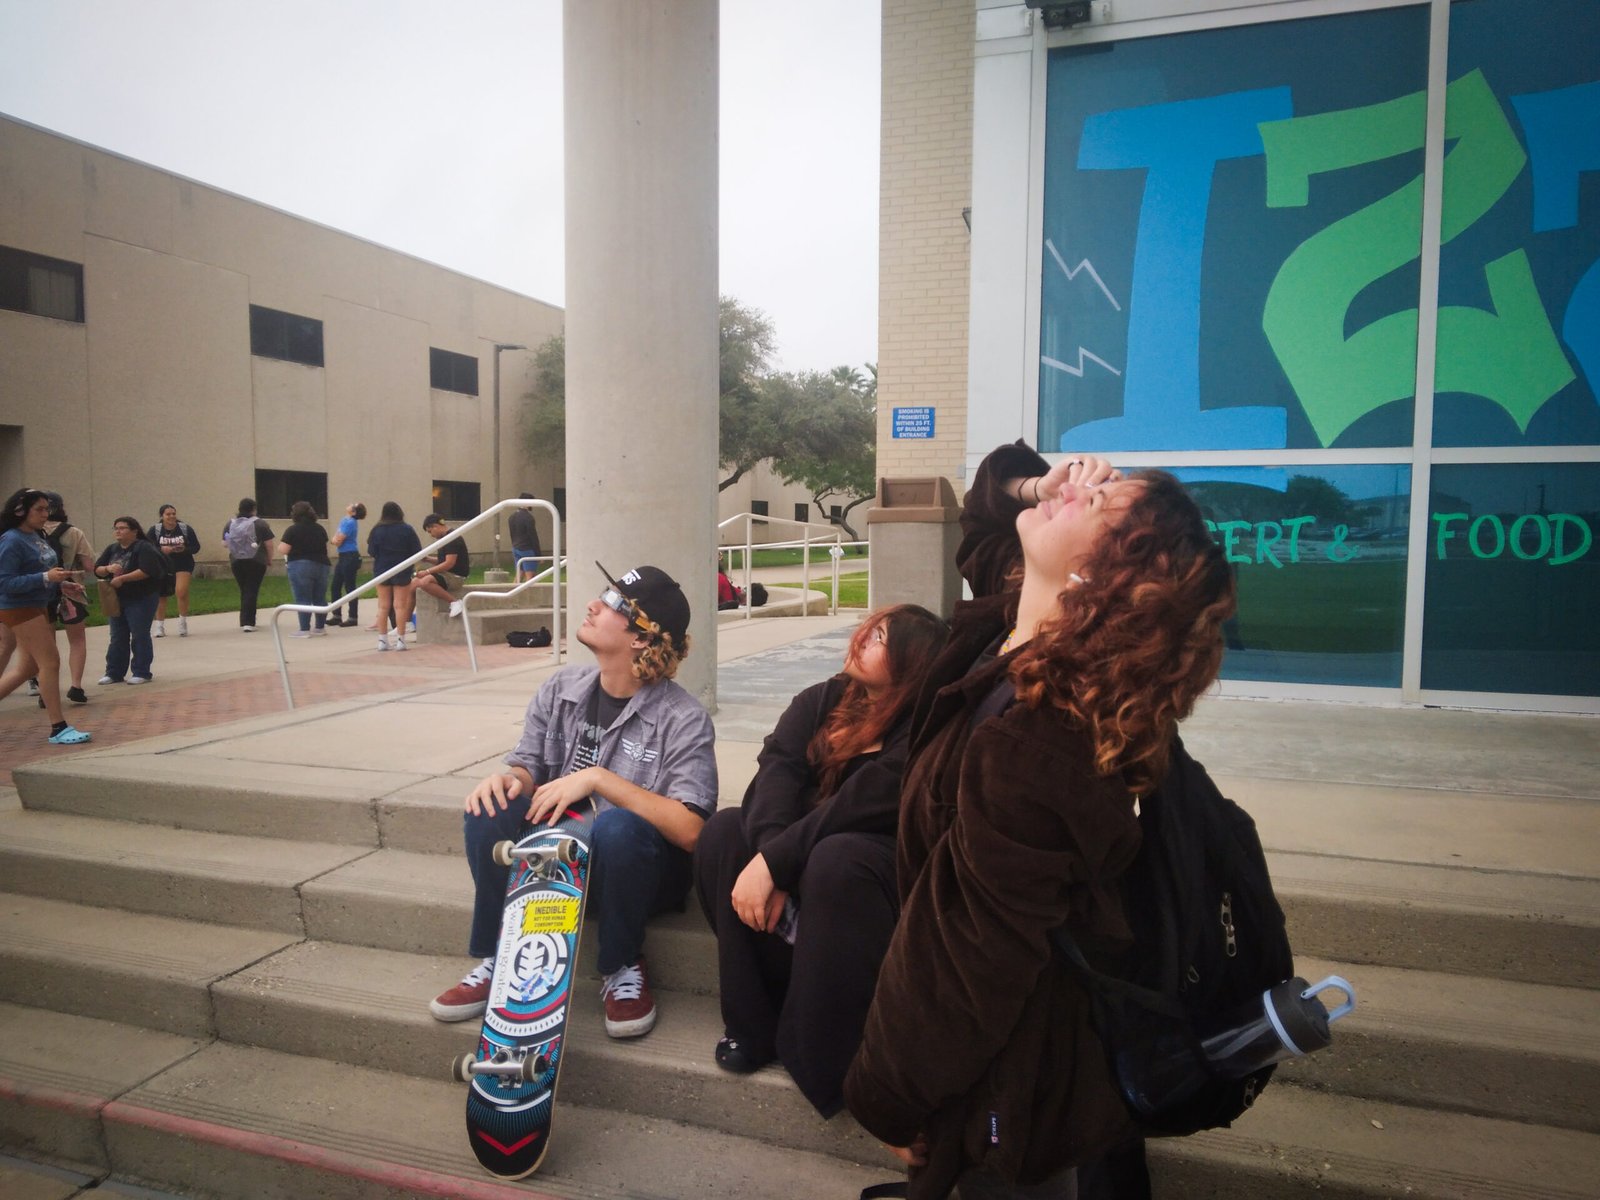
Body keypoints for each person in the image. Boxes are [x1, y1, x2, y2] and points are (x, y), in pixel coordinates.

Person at [843, 443, 1236, 1200]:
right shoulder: (1015, 624)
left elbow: (967, 958)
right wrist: (1041, 484)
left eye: (1106, 506)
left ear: (1106, 581)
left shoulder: (1039, 741)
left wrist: (888, 1093)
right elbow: (989, 510)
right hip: (1006, 1068)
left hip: (1012, 1091)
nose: (1084, 489)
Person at [430, 563, 717, 1042]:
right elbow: (529, 766)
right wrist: (507, 782)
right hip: (558, 863)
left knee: (619, 826)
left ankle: (621, 965)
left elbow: (691, 830)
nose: (593, 604)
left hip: (634, 871)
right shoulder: (562, 688)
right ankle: (498, 955)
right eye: (603, 594)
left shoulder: (682, 718)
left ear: (642, 639)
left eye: (613, 604)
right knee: (490, 808)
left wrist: (599, 779)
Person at [693, 603, 947, 1117]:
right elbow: (776, 771)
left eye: (881, 638)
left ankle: (822, 1052)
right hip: (790, 893)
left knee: (836, 854)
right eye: (869, 628)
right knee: (723, 831)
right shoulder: (825, 699)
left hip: (855, 899)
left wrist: (776, 864)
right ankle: (751, 1028)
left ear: (911, 664)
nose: (862, 638)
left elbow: (859, 807)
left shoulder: (921, 731)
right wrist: (770, 857)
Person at [0, 488, 91, 744]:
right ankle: (58, 727)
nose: (45, 514)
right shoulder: (11, 540)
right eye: (39, 509)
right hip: (20, 608)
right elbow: (5, 582)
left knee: (26, 667)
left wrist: (61, 584)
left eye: (46, 509)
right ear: (21, 511)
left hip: (38, 604)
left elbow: (42, 572)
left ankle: (58, 727)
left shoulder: (35, 536)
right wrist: (46, 578)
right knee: (49, 663)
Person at [93, 516, 168, 686]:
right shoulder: (112, 549)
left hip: (141, 597)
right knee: (117, 635)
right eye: (116, 528)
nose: (118, 531)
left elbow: (147, 570)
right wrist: (107, 569)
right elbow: (97, 569)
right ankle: (114, 672)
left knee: (139, 634)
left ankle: (141, 671)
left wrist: (123, 578)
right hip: (117, 598)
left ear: (134, 531)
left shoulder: (143, 548)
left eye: (122, 528)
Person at [44, 493, 95, 704]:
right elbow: (89, 567)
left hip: (42, 590)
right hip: (71, 591)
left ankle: (45, 691)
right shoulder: (74, 532)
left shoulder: (30, 533)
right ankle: (76, 686)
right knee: (77, 640)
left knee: (46, 644)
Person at [366, 501, 421, 651]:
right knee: (400, 605)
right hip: (402, 569)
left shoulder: (376, 530)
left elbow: (371, 551)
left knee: (383, 606)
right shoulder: (407, 529)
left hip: (382, 569)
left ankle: (382, 640)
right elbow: (417, 550)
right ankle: (401, 640)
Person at [279, 500, 332, 637]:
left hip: (300, 564)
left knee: (303, 598)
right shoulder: (320, 528)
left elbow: (284, 549)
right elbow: (325, 546)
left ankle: (304, 629)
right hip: (321, 564)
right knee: (319, 597)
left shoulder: (293, 530)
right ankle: (320, 627)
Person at [148, 504, 201, 637]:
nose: (172, 516)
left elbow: (196, 547)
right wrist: (161, 549)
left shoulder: (184, 528)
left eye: (173, 513)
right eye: (168, 514)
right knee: (161, 595)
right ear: (162, 516)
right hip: (162, 564)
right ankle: (159, 625)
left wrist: (183, 549)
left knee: (181, 591)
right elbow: (147, 547)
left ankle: (182, 621)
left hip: (183, 563)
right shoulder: (155, 530)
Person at [223, 499, 275, 632]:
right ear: (253, 509)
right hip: (256, 560)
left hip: (236, 561)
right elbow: (269, 544)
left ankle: (244, 620)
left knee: (244, 589)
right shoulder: (260, 523)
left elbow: (224, 543)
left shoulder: (230, 523)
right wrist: (269, 559)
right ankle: (249, 622)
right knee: (252, 589)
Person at [409, 513, 470, 612]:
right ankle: (406, 623)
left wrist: (427, 571)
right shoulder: (445, 539)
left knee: (425, 582)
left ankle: (454, 602)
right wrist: (428, 559)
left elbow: (449, 563)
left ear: (435, 526)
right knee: (413, 584)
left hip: (455, 577)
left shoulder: (451, 538)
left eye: (430, 531)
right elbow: (443, 561)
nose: (431, 535)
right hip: (447, 574)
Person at [328, 502, 366, 627]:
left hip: (350, 556)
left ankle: (353, 617)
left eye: (353, 505)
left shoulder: (350, 523)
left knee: (350, 587)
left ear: (354, 512)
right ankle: (336, 615)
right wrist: (335, 540)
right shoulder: (345, 520)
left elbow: (338, 541)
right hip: (343, 556)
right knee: (335, 586)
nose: (349, 504)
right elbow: (335, 538)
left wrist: (335, 540)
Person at [508, 493, 541, 581]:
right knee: (530, 576)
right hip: (527, 549)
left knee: (519, 574)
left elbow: (512, 534)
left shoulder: (512, 517)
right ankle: (529, 594)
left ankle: (514, 592)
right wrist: (538, 554)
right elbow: (533, 536)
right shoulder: (528, 518)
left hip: (516, 547)